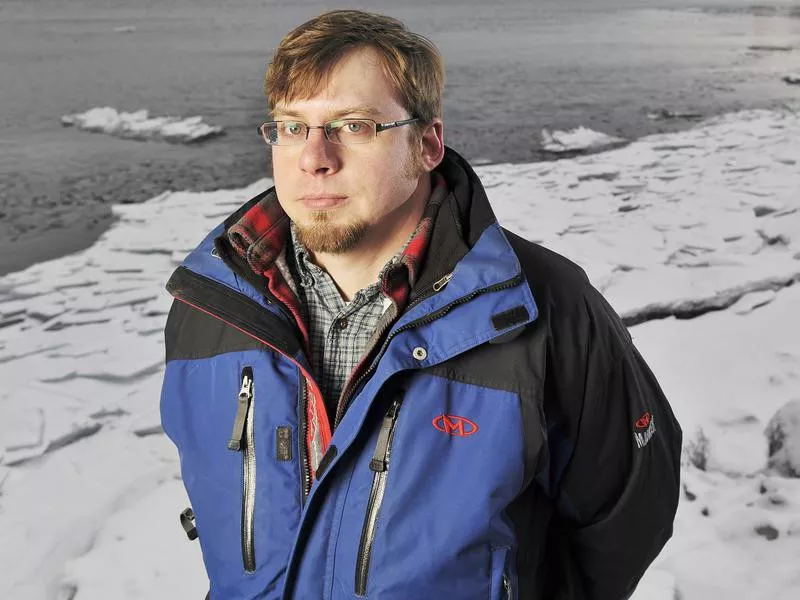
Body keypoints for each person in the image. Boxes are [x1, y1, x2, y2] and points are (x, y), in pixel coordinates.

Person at [159, 9, 682, 600]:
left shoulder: (545, 308)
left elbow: (627, 520)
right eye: (292, 127)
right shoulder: (210, 305)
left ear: (427, 143)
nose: (314, 158)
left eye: (353, 126)